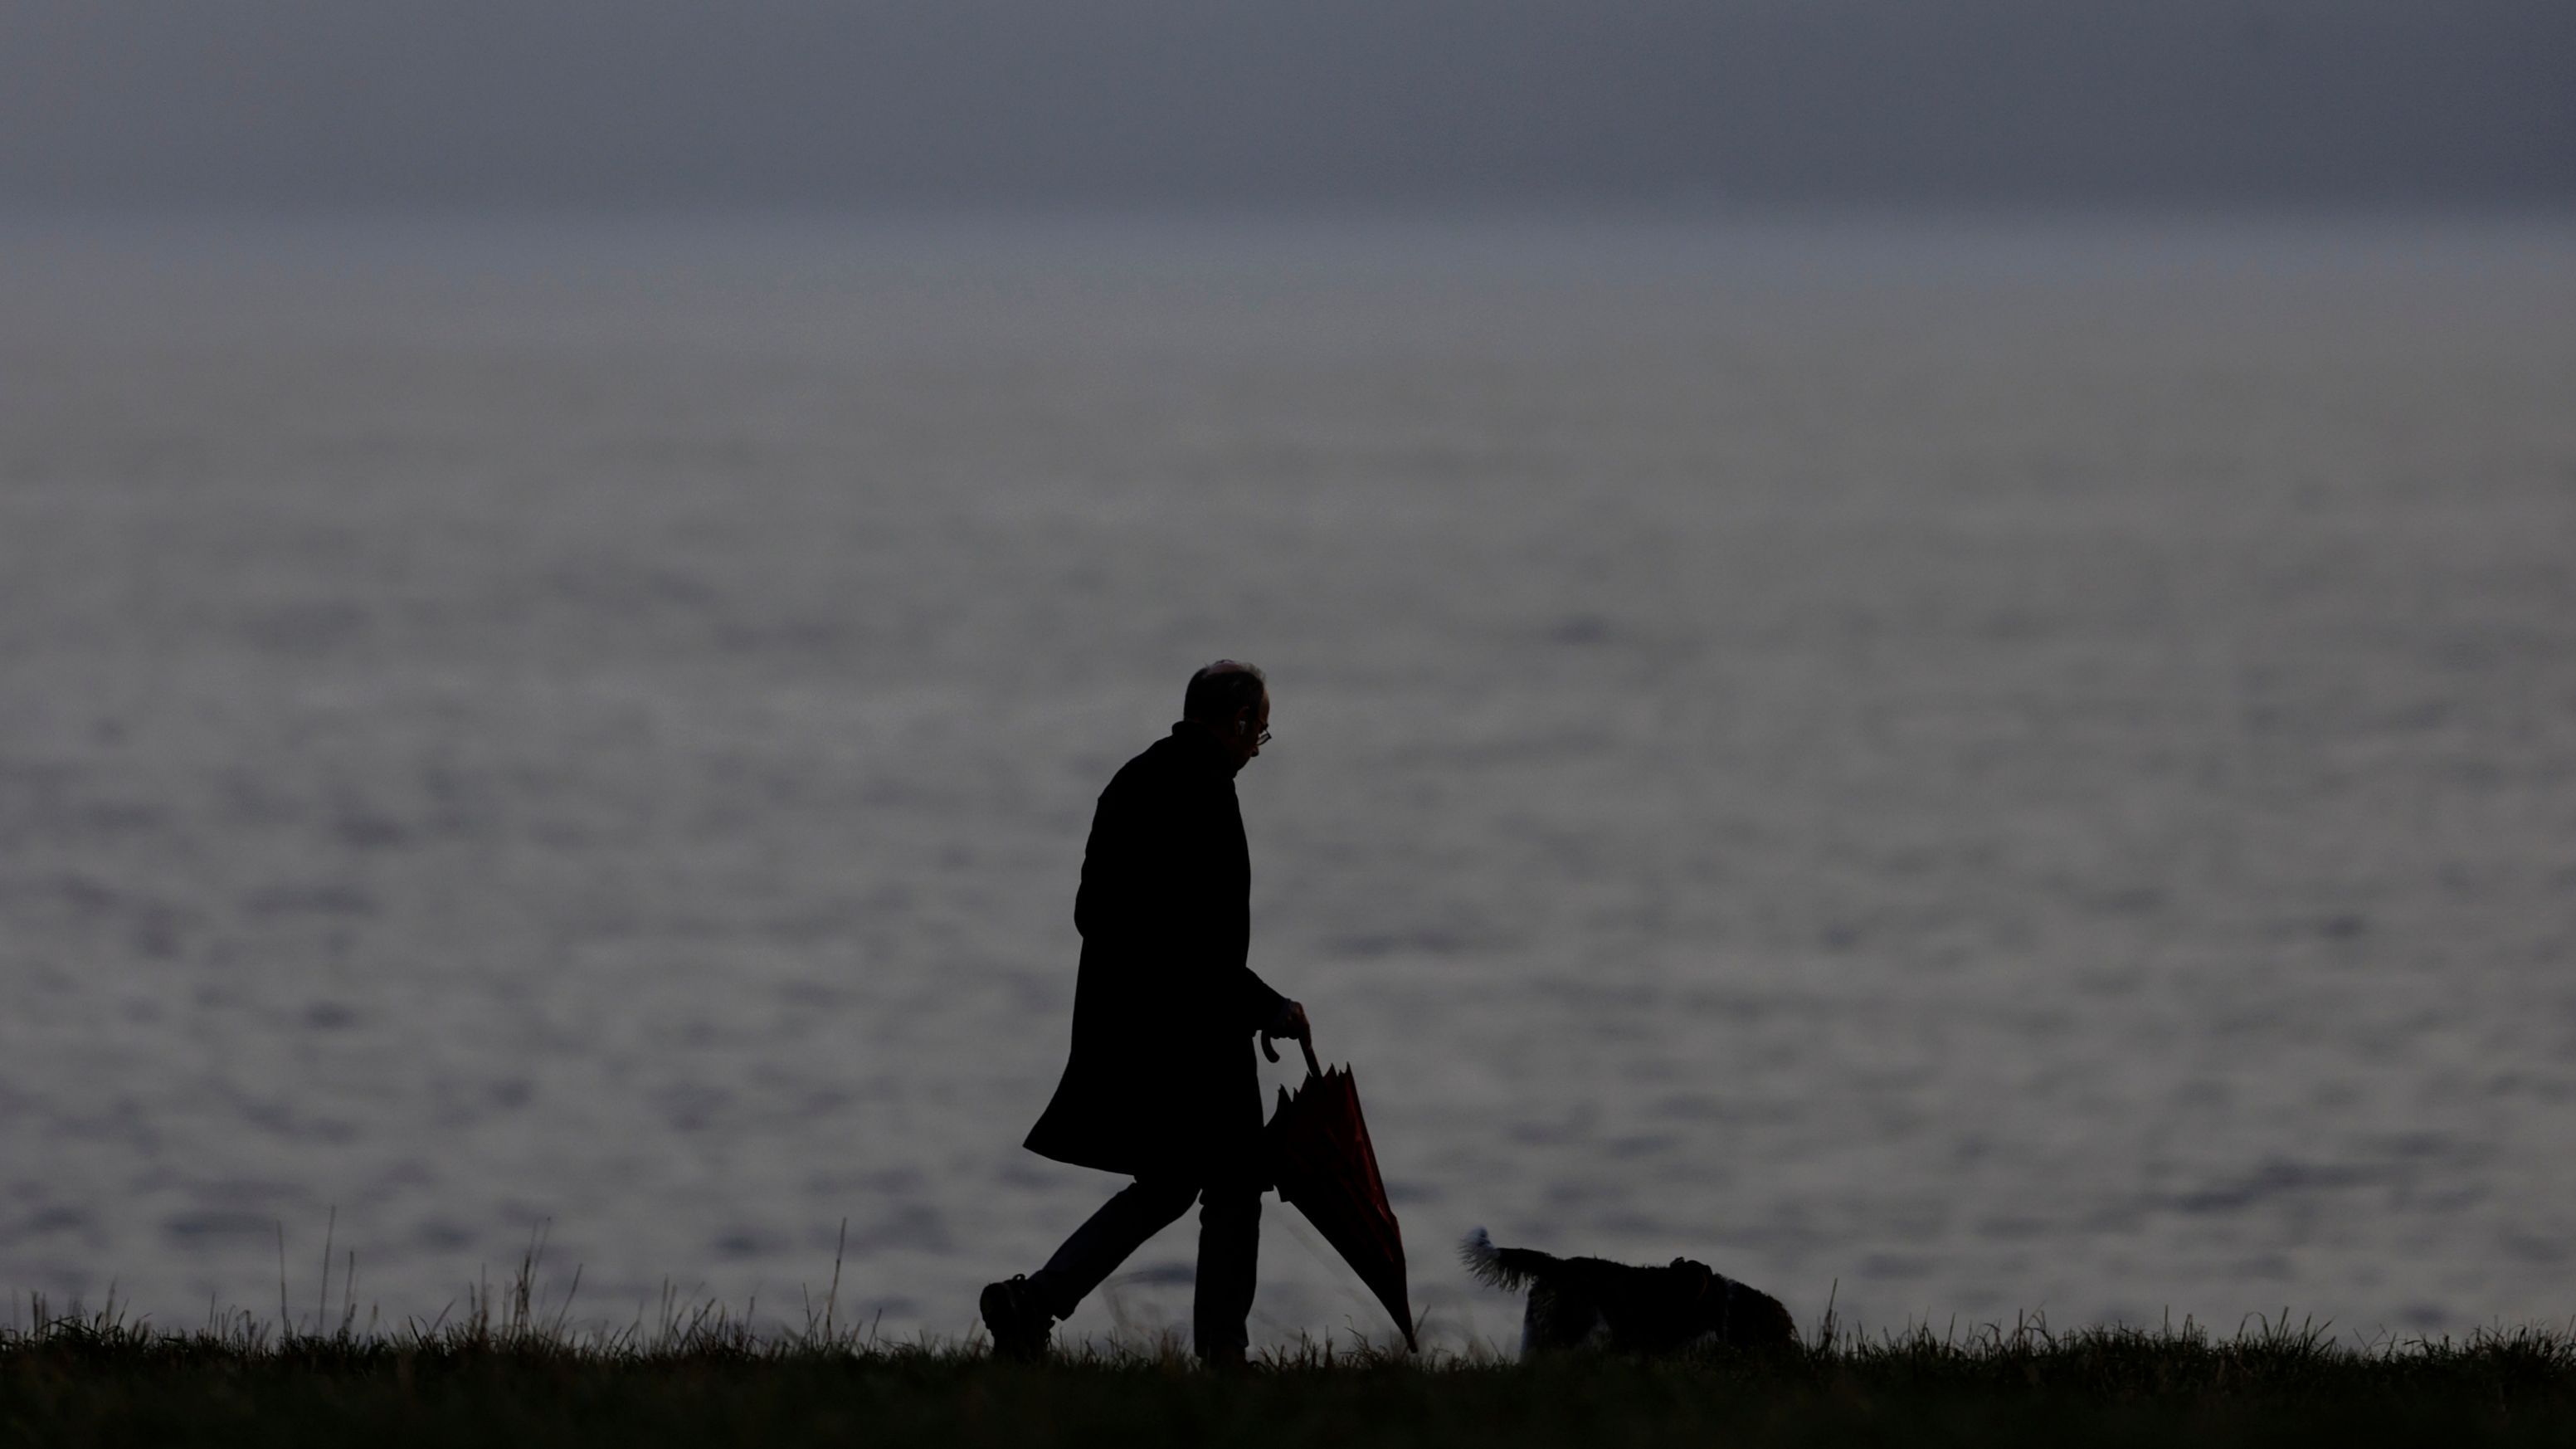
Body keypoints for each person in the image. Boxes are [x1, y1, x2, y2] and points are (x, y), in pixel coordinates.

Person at [981, 660, 1311, 1367]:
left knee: (1166, 1183)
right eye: (1260, 729)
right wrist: (1267, 1006)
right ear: (1241, 722)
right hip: (1195, 1031)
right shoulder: (1208, 794)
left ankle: (1033, 1304)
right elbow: (1200, 941)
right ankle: (1223, 1356)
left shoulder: (1131, 781)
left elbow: (1091, 913)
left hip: (1133, 1026)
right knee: (1233, 1186)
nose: (1259, 745)